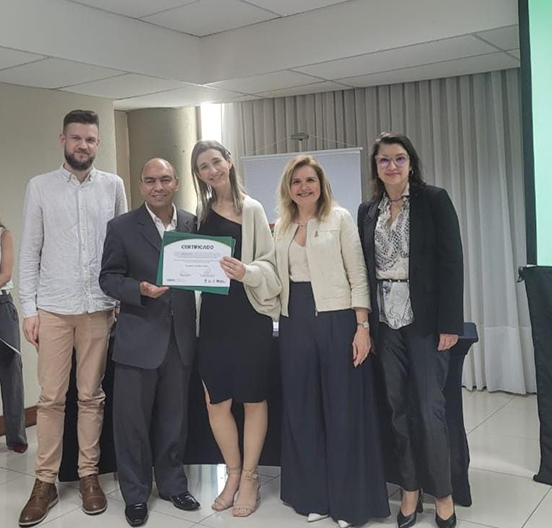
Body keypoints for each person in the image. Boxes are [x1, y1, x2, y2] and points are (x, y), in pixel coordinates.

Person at [18, 109, 127, 527]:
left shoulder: (113, 186)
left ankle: (87, 476)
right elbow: (30, 250)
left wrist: (119, 298)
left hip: (98, 306)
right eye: (77, 138)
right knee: (50, 399)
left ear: (97, 143)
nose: (84, 145)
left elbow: (121, 246)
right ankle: (44, 482)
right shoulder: (40, 186)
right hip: (53, 308)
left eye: (91, 139)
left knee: (91, 396)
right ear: (63, 140)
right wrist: (29, 310)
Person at [274, 154, 390, 528]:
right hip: (294, 322)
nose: (303, 187)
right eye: (296, 182)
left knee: (343, 410)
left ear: (321, 184)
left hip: (338, 319)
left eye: (310, 180)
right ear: (288, 188)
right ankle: (314, 497)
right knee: (303, 410)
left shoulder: (338, 219)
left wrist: (362, 326)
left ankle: (349, 503)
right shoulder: (282, 226)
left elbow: (358, 274)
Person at [358, 132, 464, 528]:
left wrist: (450, 323)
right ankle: (409, 489)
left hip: (425, 322)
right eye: (384, 160)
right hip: (385, 322)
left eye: (399, 158)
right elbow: (365, 269)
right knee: (398, 408)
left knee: (430, 410)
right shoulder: (368, 210)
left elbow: (452, 262)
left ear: (411, 163)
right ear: (376, 167)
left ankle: (443, 493)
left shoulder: (434, 200)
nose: (392, 166)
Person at [100, 159, 201, 527]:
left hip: (181, 340)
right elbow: (108, 278)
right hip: (138, 337)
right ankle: (136, 493)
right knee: (132, 424)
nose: (157, 186)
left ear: (176, 183)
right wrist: (139, 290)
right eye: (150, 181)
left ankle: (174, 485)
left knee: (175, 420)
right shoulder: (122, 227)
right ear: (141, 185)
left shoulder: (192, 223)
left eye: (164, 179)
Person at [190, 140, 280, 517]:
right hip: (213, 317)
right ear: (198, 175)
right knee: (217, 401)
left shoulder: (252, 208)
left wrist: (246, 271)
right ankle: (232, 474)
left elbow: (270, 264)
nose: (212, 170)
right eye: (203, 167)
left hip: (249, 315)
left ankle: (251, 478)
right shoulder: (199, 214)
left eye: (216, 162)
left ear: (229, 161)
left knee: (253, 398)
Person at [0, 218, 27, 454]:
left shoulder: (4, 235)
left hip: (2, 307)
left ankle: (16, 437)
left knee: (11, 372)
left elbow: (5, 274)